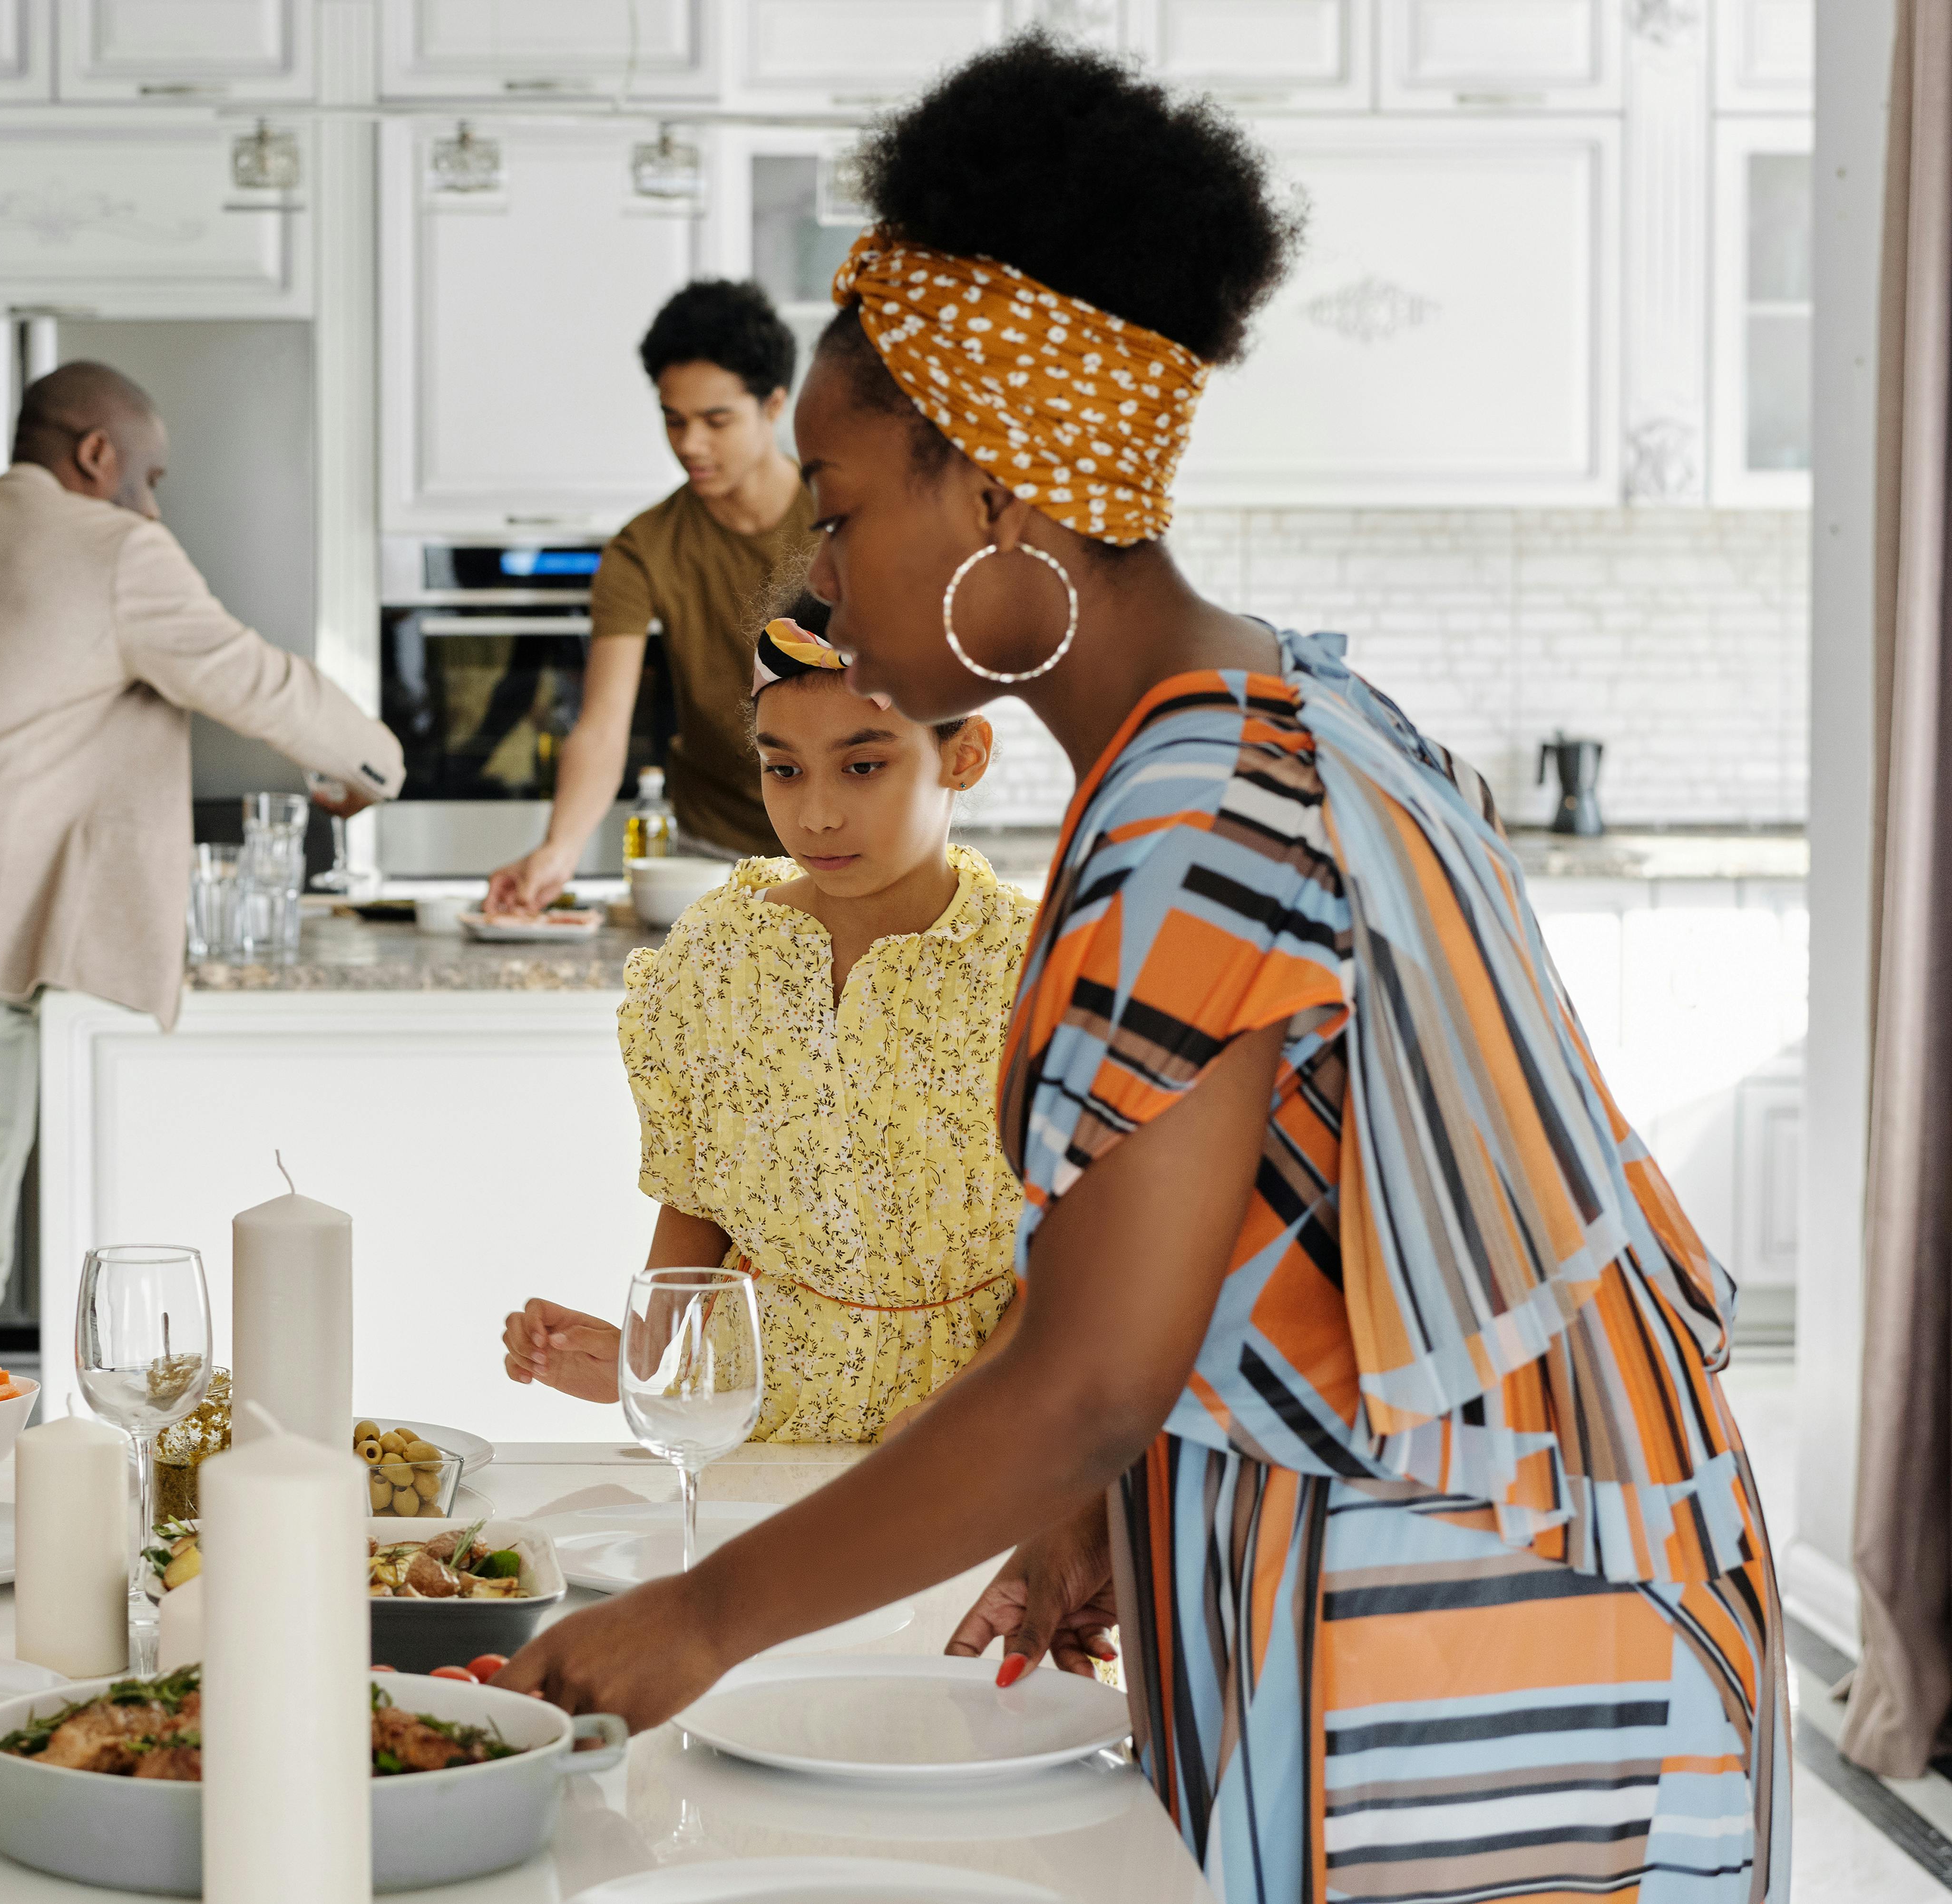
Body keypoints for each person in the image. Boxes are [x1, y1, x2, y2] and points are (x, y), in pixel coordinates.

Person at [494, 37, 1786, 1903]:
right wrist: (1110, 1512)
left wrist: (703, 1614)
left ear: (1005, 498)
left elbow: (1089, 1374)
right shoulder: (1286, 706)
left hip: (1460, 1636)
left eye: (843, 511)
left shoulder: (1190, 806)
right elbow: (1283, 1239)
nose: (824, 579)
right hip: (1540, 1562)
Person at [0, 359, 404, 1369]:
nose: (155, 502)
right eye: (153, 476)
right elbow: (254, 679)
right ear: (98, 454)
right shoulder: (115, 549)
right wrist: (377, 765)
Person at [500, 612, 1035, 1443]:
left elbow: (1077, 1268)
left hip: (981, 1436)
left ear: (962, 757)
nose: (816, 814)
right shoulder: (718, 955)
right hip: (749, 1424)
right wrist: (640, 1366)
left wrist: (950, 1421)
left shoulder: (1037, 972)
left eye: (863, 767)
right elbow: (698, 1204)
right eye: (783, 769)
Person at [485, 280, 814, 911]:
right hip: (713, 857)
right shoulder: (644, 549)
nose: (690, 444)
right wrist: (558, 850)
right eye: (674, 419)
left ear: (774, 406)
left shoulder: (844, 522)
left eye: (716, 421)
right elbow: (603, 727)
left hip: (852, 842)